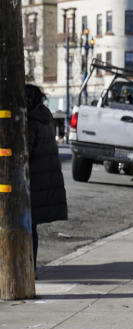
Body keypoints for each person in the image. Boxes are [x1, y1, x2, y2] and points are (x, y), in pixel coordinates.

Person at [25, 84, 68, 274]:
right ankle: (30, 266)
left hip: (32, 181)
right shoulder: (44, 117)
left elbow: (25, 153)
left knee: (26, 225)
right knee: (30, 225)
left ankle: (28, 268)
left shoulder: (30, 122)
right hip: (43, 180)